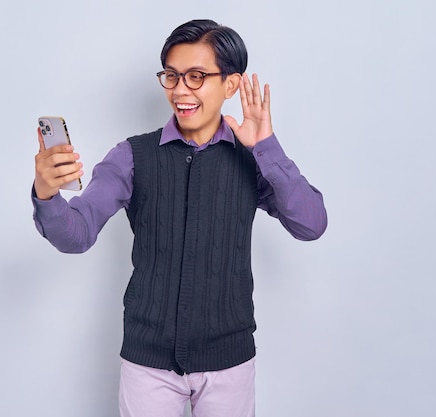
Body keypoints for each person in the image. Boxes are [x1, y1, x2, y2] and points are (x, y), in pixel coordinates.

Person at [32, 19, 327, 417]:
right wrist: (47, 193)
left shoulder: (255, 159)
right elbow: (76, 234)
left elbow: (311, 224)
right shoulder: (131, 156)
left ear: (231, 85)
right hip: (147, 364)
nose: (180, 90)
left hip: (229, 361)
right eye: (171, 76)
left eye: (196, 76)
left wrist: (267, 148)